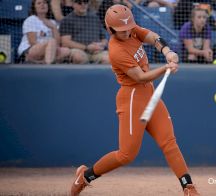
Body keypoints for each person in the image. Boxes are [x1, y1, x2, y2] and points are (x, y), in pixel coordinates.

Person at [69, 4, 200, 196]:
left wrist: (167, 52)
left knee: (169, 142)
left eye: (129, 27)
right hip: (131, 98)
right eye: (122, 30)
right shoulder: (116, 50)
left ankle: (188, 188)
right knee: (126, 155)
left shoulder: (131, 30)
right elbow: (140, 77)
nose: (127, 32)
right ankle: (85, 176)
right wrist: (165, 68)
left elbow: (154, 37)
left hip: (149, 94)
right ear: (110, 29)